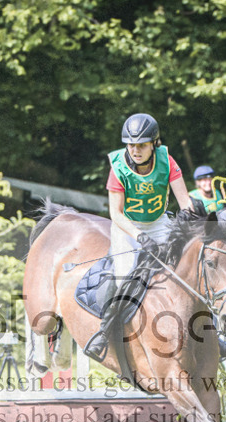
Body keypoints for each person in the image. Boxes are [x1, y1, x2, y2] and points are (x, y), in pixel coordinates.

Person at [83, 113, 193, 362]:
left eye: (141, 144)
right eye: (131, 145)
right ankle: (105, 331)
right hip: (127, 227)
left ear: (154, 143)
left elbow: (184, 200)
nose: (135, 150)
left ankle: (214, 331)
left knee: (187, 268)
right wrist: (139, 236)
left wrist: (188, 218)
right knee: (124, 275)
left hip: (159, 221)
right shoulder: (118, 167)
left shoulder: (167, 160)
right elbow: (116, 213)